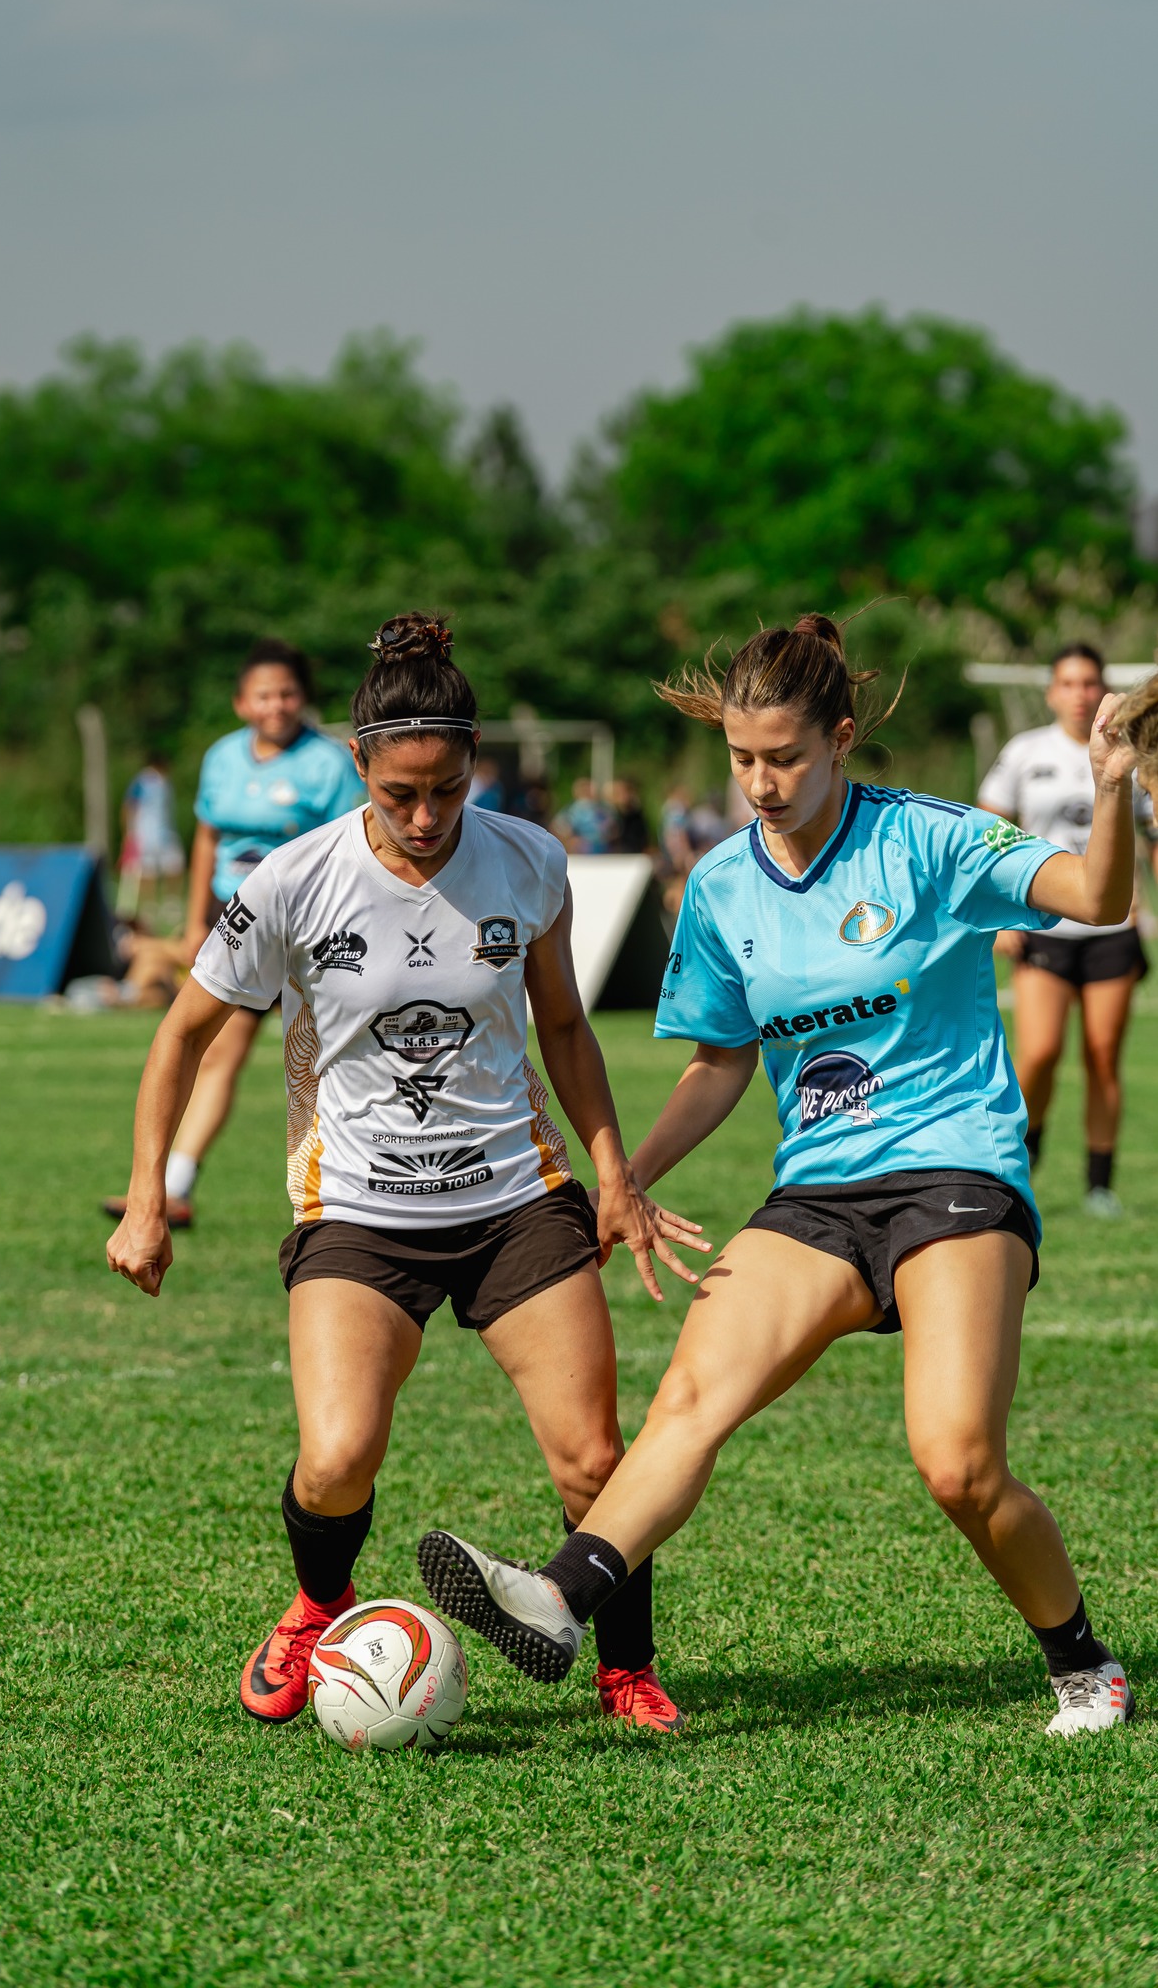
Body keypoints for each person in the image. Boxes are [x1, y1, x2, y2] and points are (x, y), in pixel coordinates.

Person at [417, 613, 1140, 1739]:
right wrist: (632, 1175)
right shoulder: (717, 888)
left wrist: (1111, 788)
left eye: (785, 758)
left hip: (954, 1169)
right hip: (817, 1196)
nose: (760, 781)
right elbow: (722, 1058)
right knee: (693, 1399)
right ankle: (558, 1597)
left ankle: (1083, 1657)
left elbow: (1098, 899)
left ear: (841, 738)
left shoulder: (933, 842)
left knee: (957, 1461)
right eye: (743, 758)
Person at [105, 613, 703, 1732]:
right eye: (401, 794)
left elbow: (565, 1028)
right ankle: (315, 1604)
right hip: (358, 1210)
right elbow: (180, 1035)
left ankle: (627, 1663)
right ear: (360, 764)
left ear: (476, 759)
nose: (426, 818)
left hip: (517, 1197)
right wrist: (149, 1197)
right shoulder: (290, 881)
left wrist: (612, 1173)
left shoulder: (530, 858)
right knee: (334, 1459)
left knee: (594, 1456)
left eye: (448, 789)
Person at [102, 641, 358, 1229]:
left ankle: (353, 1190)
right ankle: (174, 1188)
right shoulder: (222, 757)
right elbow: (206, 839)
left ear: (304, 699)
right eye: (264, 694)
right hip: (237, 920)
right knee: (217, 1052)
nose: (278, 704)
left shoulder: (329, 764)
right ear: (242, 702)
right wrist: (197, 922)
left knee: (328, 1061)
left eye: (288, 693)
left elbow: (347, 853)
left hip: (310, 926)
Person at [978, 644, 1150, 1217]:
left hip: (1114, 929)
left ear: (1103, 691)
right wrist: (1000, 913)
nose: (1079, 694)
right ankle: (1022, 1164)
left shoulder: (1133, 751)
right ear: (1051, 692)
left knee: (1103, 1056)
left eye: (1089, 683)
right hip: (1045, 929)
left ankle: (1100, 1186)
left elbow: (1151, 834)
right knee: (1041, 1052)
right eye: (1068, 683)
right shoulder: (1027, 752)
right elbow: (984, 832)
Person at [116, 755, 184, 919]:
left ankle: (169, 905)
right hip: (145, 834)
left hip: (165, 833)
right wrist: (128, 834)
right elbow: (128, 806)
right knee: (148, 872)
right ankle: (150, 907)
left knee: (173, 866)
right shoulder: (142, 781)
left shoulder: (164, 782)